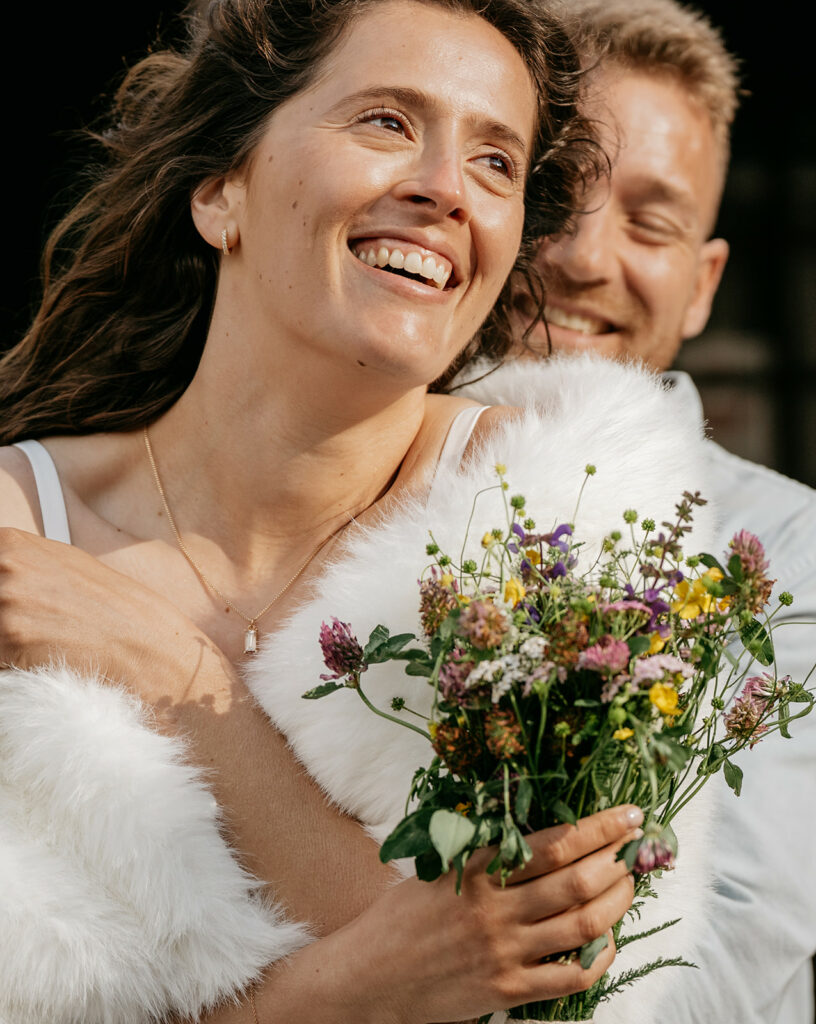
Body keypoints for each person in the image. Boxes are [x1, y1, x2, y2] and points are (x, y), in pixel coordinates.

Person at [0, 1, 720, 1022]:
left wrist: (175, 677)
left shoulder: (573, 524)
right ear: (220, 191)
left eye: (495, 163)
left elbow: (570, 994)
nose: (443, 190)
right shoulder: (17, 530)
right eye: (386, 121)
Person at [453, 1, 816, 1021]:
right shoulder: (353, 477)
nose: (585, 258)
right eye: (554, 194)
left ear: (702, 286)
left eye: (650, 220)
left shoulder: (797, 556)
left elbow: (722, 970)